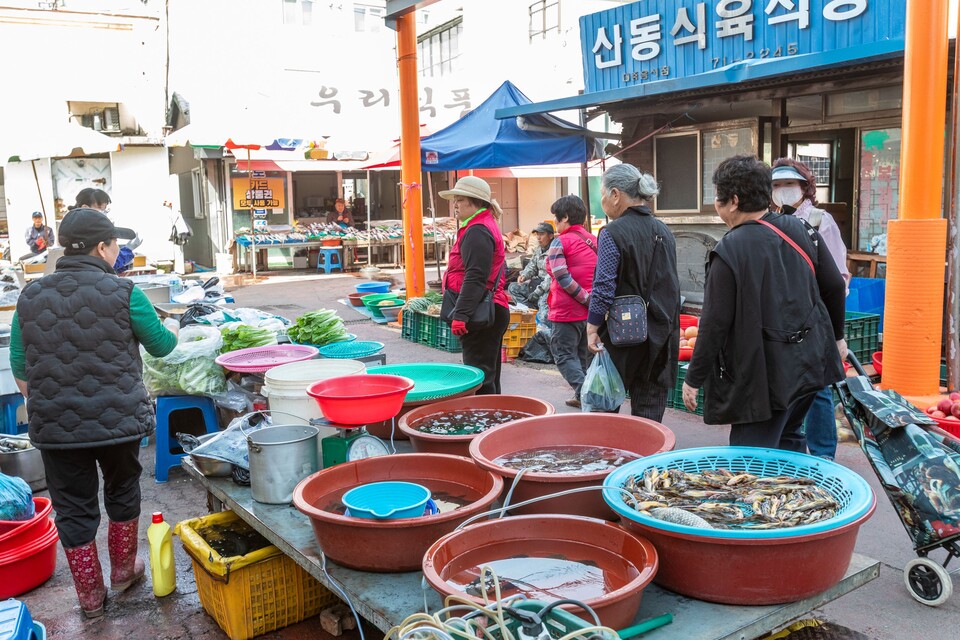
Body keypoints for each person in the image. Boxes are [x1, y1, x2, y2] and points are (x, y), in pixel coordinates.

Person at [10, 207, 179, 618]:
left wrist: (48, 403)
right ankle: (123, 571)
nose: (118, 250)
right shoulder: (125, 293)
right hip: (117, 420)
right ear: (103, 247)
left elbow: (19, 367)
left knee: (72, 504)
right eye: (115, 243)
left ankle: (89, 596)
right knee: (122, 488)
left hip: (55, 425)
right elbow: (161, 347)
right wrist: (172, 329)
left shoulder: (29, 296)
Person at [682, 154, 847, 452]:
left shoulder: (729, 250)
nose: (716, 205)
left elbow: (714, 323)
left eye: (717, 198)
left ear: (732, 201)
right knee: (790, 439)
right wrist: (838, 337)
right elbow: (834, 286)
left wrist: (693, 378)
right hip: (809, 365)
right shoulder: (802, 229)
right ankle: (796, 494)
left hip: (762, 378)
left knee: (753, 457)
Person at [587, 165, 680, 421]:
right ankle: (647, 461)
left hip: (621, 335)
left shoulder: (611, 233)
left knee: (604, 411)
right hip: (660, 335)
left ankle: (611, 460)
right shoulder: (664, 231)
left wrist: (592, 327)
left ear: (616, 194)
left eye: (603, 193)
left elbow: (603, 286)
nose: (602, 199)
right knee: (649, 417)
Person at [772, 158, 851, 460]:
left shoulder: (820, 220)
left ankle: (822, 456)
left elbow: (839, 277)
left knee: (818, 387)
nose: (783, 191)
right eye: (776, 186)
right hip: (784, 318)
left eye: (789, 184)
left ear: (804, 187)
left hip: (817, 317)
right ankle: (791, 451)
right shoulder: (771, 219)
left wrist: (835, 329)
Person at [439, 176, 510, 394]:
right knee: (487, 377)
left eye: (459, 200)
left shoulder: (478, 230)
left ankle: (485, 426)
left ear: (474, 201)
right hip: (486, 310)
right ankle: (494, 423)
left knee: (479, 381)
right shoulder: (482, 225)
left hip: (480, 314)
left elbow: (476, 276)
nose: (455, 205)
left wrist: (461, 315)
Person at [546, 196, 598, 408]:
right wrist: (592, 302)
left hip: (567, 311)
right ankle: (581, 395)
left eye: (556, 220)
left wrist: (584, 298)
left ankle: (588, 395)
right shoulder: (595, 240)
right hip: (592, 314)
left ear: (565, 217)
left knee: (564, 355)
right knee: (583, 356)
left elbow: (561, 275)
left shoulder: (560, 242)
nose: (555, 225)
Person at [507, 222, 553, 307]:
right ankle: (530, 311)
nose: (538, 238)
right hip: (536, 284)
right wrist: (524, 276)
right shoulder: (539, 249)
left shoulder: (555, 251)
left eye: (542, 234)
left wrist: (537, 292)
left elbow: (551, 278)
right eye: (537, 235)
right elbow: (532, 266)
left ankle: (537, 312)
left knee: (542, 303)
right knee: (513, 288)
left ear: (550, 236)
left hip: (547, 288)